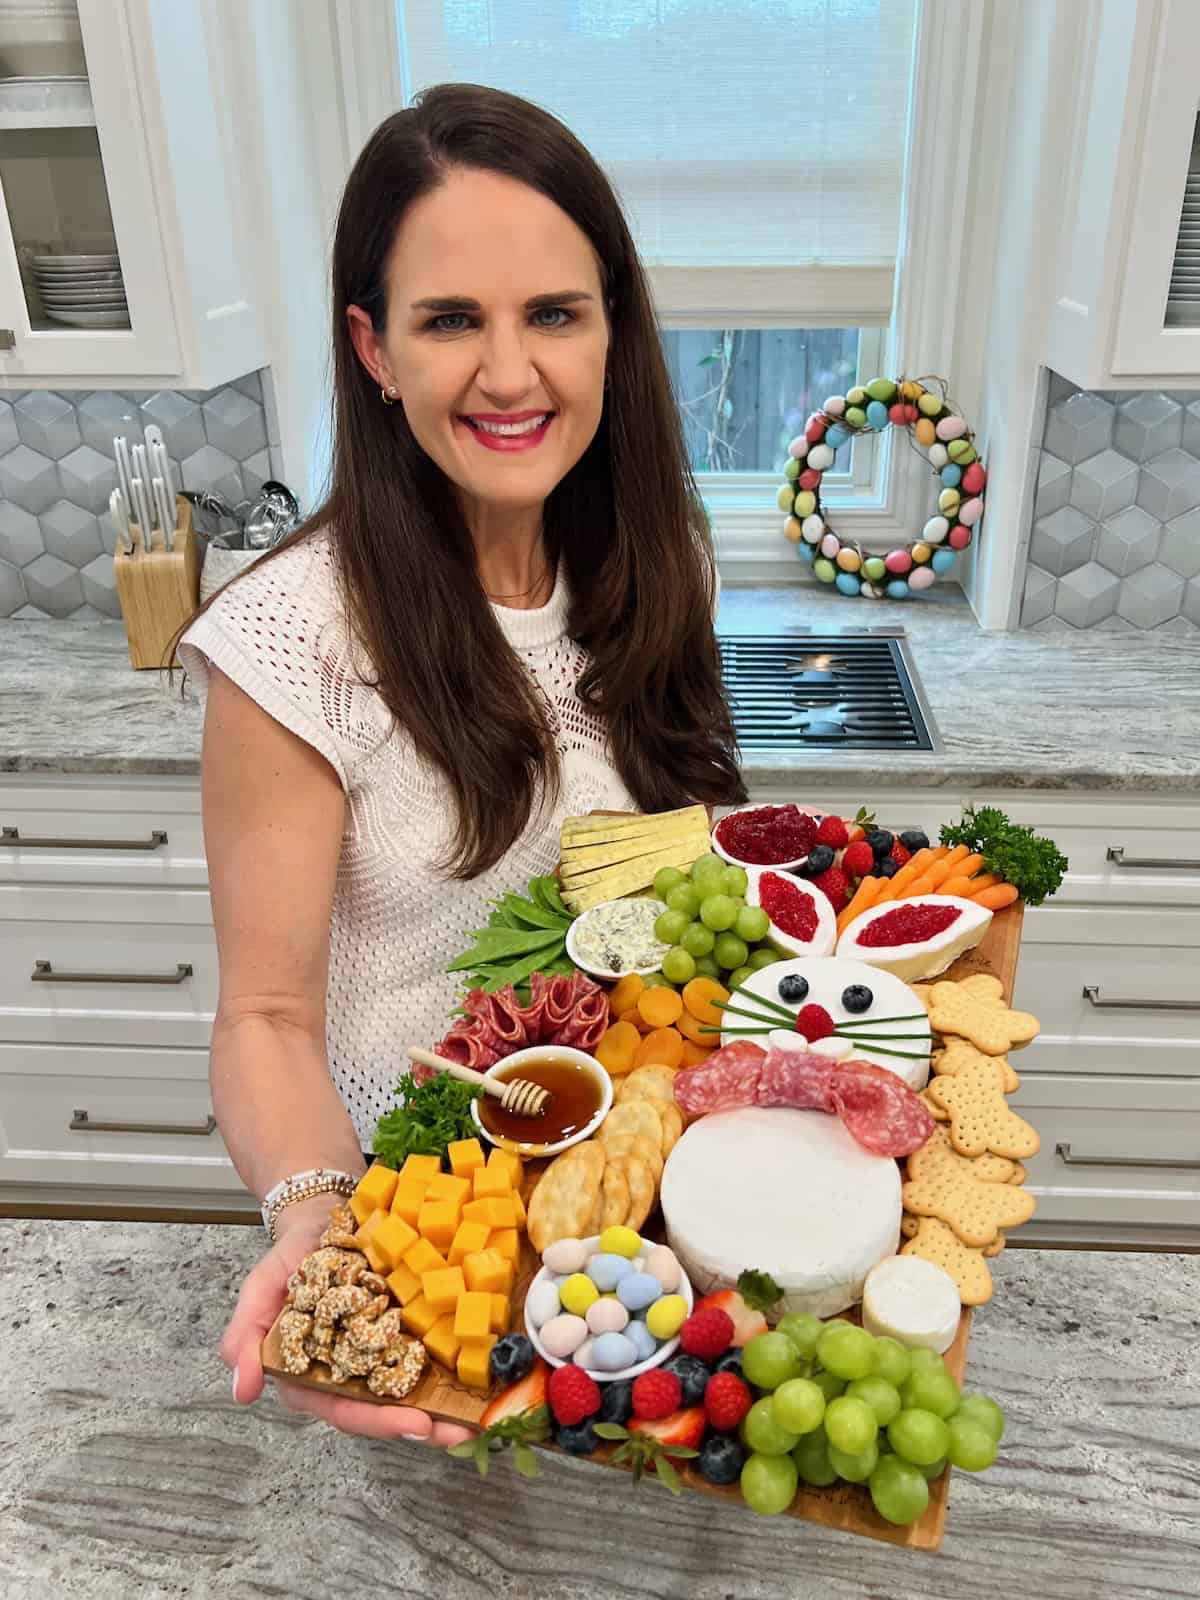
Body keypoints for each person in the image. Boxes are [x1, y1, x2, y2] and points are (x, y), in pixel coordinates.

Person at [178, 82, 746, 1449]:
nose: (510, 374)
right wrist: (319, 1216)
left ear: (614, 327)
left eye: (554, 313)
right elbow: (264, 1017)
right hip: (429, 1254)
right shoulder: (291, 641)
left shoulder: (653, 567)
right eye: (450, 322)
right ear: (373, 350)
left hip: (635, 1227)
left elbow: (673, 872)